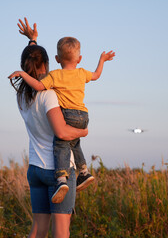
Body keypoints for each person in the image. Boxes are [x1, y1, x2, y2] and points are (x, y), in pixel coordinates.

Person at [9, 22, 115, 204]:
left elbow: (37, 81)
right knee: (72, 141)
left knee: (62, 144)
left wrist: (23, 71)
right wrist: (102, 60)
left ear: (57, 59)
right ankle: (77, 173)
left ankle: (68, 177)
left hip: (37, 164)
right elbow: (96, 75)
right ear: (80, 58)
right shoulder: (78, 75)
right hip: (82, 118)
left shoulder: (34, 90)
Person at [10, 18, 87, 238]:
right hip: (57, 170)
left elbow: (33, 61)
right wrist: (83, 132)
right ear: (46, 64)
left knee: (38, 229)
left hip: (35, 168)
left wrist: (32, 40)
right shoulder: (50, 95)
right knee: (62, 231)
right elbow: (62, 132)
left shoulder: (22, 95)